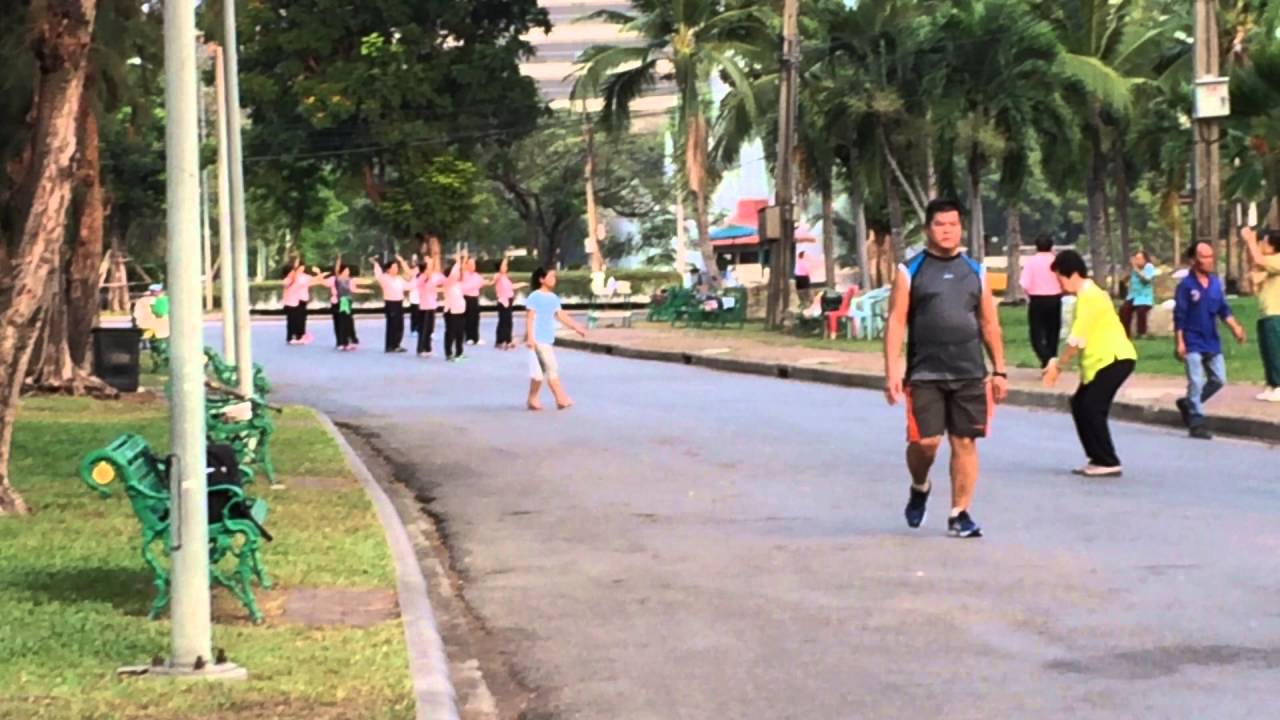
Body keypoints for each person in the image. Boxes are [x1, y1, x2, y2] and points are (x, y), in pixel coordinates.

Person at [883, 198, 1008, 539]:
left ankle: (959, 513)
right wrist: (892, 370)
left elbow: (989, 323)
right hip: (925, 374)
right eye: (940, 224)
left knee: (965, 442)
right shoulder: (911, 270)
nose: (947, 230)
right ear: (928, 229)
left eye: (953, 224)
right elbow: (896, 321)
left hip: (969, 371)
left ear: (961, 228)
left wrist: (999, 370)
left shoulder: (975, 271)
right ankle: (920, 485)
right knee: (926, 443)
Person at [1041, 250, 1137, 477]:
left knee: (1092, 407)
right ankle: (1097, 457)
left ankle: (1108, 460)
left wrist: (1058, 366)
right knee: (1080, 404)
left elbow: (1077, 340)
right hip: (1099, 363)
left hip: (1115, 359)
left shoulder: (1090, 296)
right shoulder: (1086, 297)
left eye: (1060, 279)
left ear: (1072, 274)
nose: (1060, 285)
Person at [1173, 241, 1247, 439]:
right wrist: (1180, 342)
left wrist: (1235, 328)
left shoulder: (1215, 283)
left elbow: (1223, 309)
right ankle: (1197, 421)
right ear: (1194, 260)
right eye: (1204, 256)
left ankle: (1189, 403)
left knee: (1219, 379)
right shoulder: (1186, 286)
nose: (1209, 261)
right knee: (1196, 381)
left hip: (1211, 340)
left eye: (1211, 256)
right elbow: (1179, 315)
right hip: (1192, 340)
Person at [525, 267, 587, 410]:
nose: (554, 279)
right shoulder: (534, 296)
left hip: (547, 338)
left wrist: (576, 327)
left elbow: (561, 315)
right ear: (542, 279)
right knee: (551, 368)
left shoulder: (553, 298)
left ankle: (532, 399)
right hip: (537, 339)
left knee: (538, 375)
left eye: (554, 276)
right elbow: (529, 318)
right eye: (551, 276)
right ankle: (561, 398)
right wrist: (530, 337)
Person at [1242, 226, 1280, 401]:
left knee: (1276, 351)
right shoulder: (1270, 264)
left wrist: (1250, 239)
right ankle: (1271, 384)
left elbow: (1257, 260)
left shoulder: (1278, 260)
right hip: (1266, 314)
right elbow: (1255, 267)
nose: (1261, 244)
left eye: (1263, 242)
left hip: (1276, 314)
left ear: (1273, 246)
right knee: (1267, 351)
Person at [1019, 234, 1061, 368]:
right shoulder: (1057, 261)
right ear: (1051, 246)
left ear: (1036, 246)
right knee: (1053, 331)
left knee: (1036, 333)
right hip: (1055, 299)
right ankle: (1052, 358)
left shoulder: (1031, 262)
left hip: (1037, 300)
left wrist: (1028, 294)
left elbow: (1024, 283)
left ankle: (1045, 357)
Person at [371, 254, 411, 353]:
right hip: (391, 303)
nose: (396, 269)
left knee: (399, 325)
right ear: (388, 269)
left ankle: (397, 344)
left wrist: (402, 262)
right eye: (393, 267)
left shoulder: (399, 279)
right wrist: (375, 263)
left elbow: (408, 282)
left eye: (397, 267)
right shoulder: (384, 278)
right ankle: (390, 346)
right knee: (392, 324)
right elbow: (378, 274)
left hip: (399, 303)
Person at [283, 260, 326, 345]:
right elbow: (288, 287)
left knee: (300, 319)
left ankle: (300, 336)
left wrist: (319, 273)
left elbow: (314, 281)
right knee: (292, 320)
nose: (302, 269)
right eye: (300, 267)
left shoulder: (303, 277)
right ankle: (291, 337)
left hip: (299, 301)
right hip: (292, 302)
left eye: (303, 267)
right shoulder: (289, 280)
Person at [1119, 250, 1158, 338]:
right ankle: (1125, 333)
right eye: (1136, 258)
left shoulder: (1149, 267)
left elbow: (1147, 280)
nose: (1137, 260)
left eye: (1139, 258)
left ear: (1145, 260)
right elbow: (1125, 280)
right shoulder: (1134, 269)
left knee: (1141, 310)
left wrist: (1135, 268)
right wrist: (1127, 272)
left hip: (1145, 297)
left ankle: (1141, 333)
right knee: (1123, 310)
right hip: (1133, 297)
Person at [414, 257, 446, 357]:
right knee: (423, 329)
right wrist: (430, 265)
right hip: (424, 307)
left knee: (430, 329)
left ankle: (428, 348)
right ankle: (421, 349)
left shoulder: (434, 276)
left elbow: (445, 280)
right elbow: (427, 279)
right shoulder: (421, 278)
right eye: (428, 267)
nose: (430, 269)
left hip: (432, 306)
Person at [493, 257, 526, 350]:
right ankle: (500, 341)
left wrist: (522, 284)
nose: (506, 267)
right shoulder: (498, 276)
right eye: (504, 266)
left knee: (508, 322)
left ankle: (508, 340)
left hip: (509, 301)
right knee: (503, 322)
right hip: (503, 302)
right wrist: (505, 259)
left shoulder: (505, 278)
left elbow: (511, 287)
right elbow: (496, 279)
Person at [442, 254, 468, 362]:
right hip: (451, 312)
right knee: (450, 333)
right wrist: (457, 262)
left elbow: (462, 273)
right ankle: (448, 353)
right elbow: (453, 274)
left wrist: (463, 260)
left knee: (460, 333)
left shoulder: (457, 284)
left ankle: (459, 353)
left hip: (460, 311)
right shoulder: (448, 283)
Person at [333, 264, 364, 351]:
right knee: (344, 321)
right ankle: (343, 342)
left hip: (349, 301)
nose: (348, 272)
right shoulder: (339, 279)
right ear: (341, 271)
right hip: (343, 301)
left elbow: (353, 289)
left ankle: (350, 340)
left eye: (348, 271)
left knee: (348, 321)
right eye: (346, 271)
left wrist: (364, 290)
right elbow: (336, 270)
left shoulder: (349, 280)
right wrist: (338, 259)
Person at [462, 257, 488, 346]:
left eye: (474, 264)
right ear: (467, 265)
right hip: (467, 298)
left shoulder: (477, 275)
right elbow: (464, 287)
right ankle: (468, 337)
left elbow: (483, 283)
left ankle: (475, 337)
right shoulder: (464, 275)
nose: (473, 266)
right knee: (468, 318)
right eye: (470, 264)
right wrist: (476, 285)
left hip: (474, 298)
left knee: (476, 318)